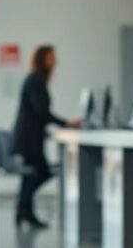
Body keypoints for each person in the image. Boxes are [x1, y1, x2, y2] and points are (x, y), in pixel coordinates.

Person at [11, 45, 82, 228]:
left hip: (29, 137)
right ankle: (22, 207)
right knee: (41, 172)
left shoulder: (36, 79)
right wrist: (66, 123)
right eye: (51, 57)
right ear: (42, 59)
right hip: (28, 139)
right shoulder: (35, 79)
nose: (55, 61)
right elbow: (41, 111)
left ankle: (24, 210)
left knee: (30, 176)